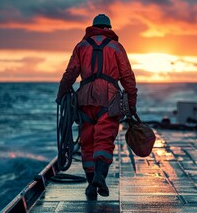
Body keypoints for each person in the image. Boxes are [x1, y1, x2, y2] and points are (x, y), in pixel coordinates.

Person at [56, 14, 137, 198]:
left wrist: (61, 95)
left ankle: (91, 185)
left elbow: (70, 73)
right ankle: (99, 177)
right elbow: (128, 78)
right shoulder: (116, 47)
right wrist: (131, 104)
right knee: (104, 140)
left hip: (84, 99)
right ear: (109, 28)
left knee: (87, 141)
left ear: (93, 27)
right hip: (109, 100)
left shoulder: (81, 46)